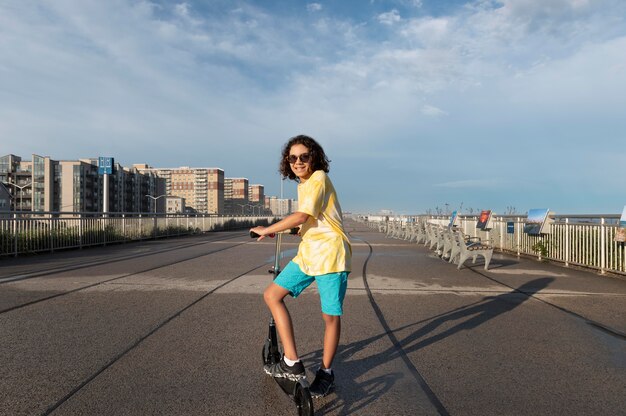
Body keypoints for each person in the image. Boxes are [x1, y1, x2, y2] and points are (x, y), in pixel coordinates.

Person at [250, 134, 352, 398]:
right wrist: (286, 231)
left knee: (330, 316)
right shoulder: (303, 185)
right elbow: (307, 222)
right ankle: (293, 362)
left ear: (314, 157)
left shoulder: (318, 178)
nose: (298, 162)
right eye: (292, 157)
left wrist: (268, 227)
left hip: (330, 254)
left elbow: (303, 214)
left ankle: (326, 372)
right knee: (272, 294)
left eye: (303, 156)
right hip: (309, 253)